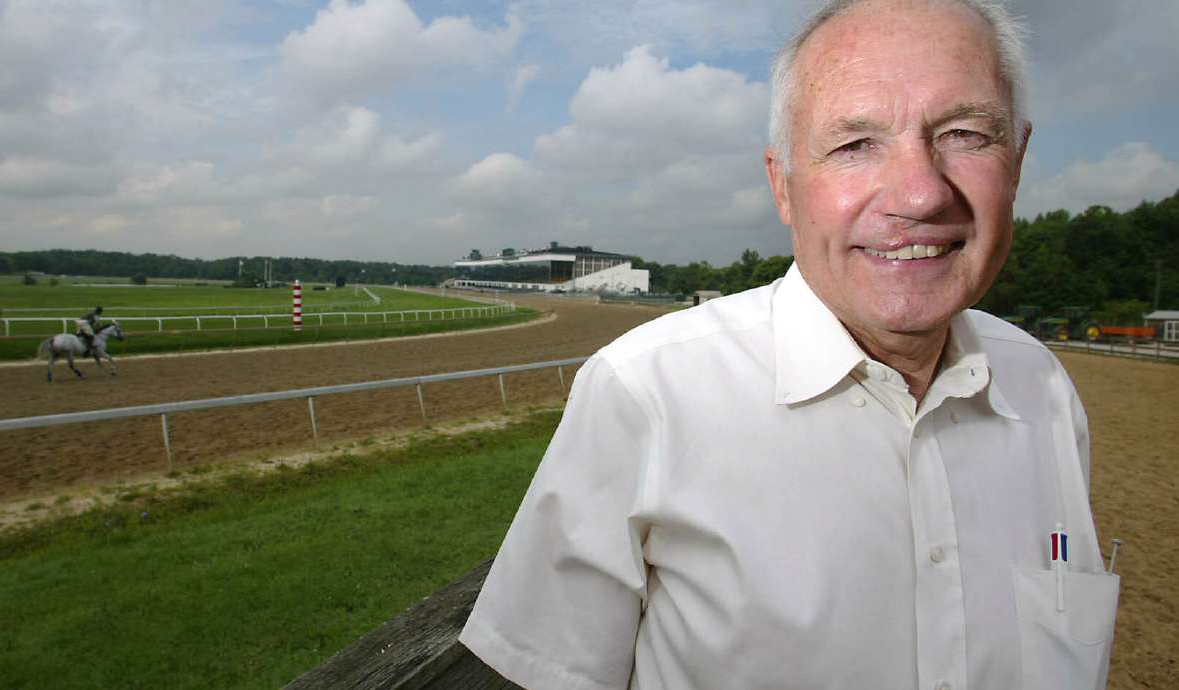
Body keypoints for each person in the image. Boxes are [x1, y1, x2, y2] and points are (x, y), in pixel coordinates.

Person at [460, 1, 1119, 689]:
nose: (921, 194)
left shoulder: (1043, 386)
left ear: (1016, 161)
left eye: (963, 133)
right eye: (854, 144)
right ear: (782, 184)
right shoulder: (644, 393)